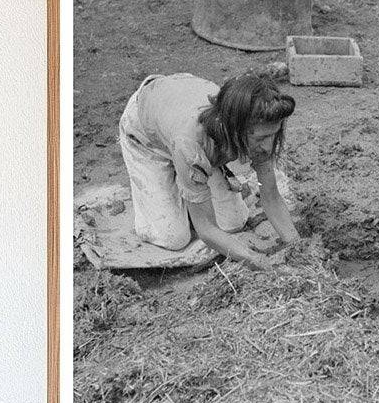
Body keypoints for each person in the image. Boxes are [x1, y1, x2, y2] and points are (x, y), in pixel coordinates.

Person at [117, 71, 300, 268]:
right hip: (147, 139)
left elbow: (270, 195)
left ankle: (189, 185)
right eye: (260, 139)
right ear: (235, 131)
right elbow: (206, 229)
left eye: (272, 135)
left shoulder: (256, 124)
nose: (267, 147)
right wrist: (254, 259)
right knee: (172, 237)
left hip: (186, 109)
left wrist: (297, 245)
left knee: (233, 223)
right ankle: (178, 180)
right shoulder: (192, 145)